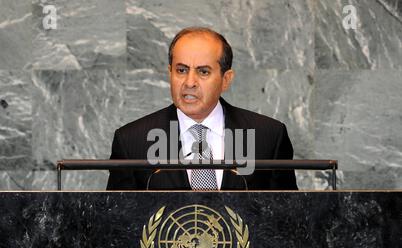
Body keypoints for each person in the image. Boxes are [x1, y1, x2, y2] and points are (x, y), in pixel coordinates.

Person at [107, 27, 298, 190]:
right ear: (169, 73)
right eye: (181, 70)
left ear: (226, 79)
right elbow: (116, 224)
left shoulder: (268, 137)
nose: (189, 82)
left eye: (203, 72)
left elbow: (289, 220)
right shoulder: (131, 142)